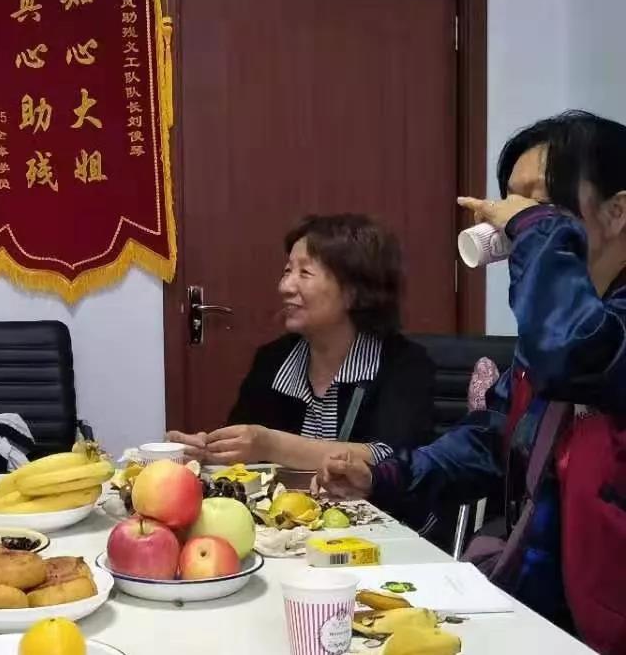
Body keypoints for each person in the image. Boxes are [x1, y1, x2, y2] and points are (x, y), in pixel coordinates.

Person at [316, 111, 626, 651]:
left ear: (616, 211)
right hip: (547, 616)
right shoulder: (554, 330)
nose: (515, 220)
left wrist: (536, 232)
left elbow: (577, 357)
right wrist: (384, 477)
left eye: (539, 203)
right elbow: (492, 441)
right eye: (512, 202)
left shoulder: (572, 336)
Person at [167, 214, 436, 470]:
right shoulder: (273, 360)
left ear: (354, 291)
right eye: (287, 271)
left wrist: (271, 446)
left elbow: (396, 459)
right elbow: (246, 453)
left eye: (304, 273)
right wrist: (208, 451)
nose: (285, 287)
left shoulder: (404, 363)